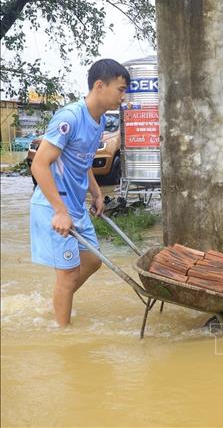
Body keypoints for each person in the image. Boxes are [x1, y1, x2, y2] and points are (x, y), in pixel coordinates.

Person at [30, 59, 130, 326]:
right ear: (100, 85)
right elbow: (39, 164)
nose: (123, 96)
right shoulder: (69, 118)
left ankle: (58, 302)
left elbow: (83, 160)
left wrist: (96, 192)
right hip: (54, 207)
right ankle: (64, 335)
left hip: (74, 206)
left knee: (93, 260)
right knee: (66, 275)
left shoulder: (98, 122)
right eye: (120, 89)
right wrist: (60, 211)